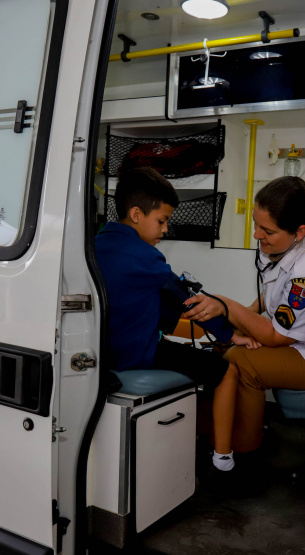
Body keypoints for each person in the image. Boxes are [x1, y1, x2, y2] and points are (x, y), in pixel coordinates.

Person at [184, 176, 305, 472]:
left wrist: (228, 306)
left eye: (268, 231)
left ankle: (243, 453)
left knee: (243, 361)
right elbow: (274, 290)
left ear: (299, 232)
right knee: (224, 345)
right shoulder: (295, 239)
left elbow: (276, 336)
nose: (257, 235)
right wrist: (239, 322)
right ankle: (218, 430)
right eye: (256, 224)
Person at [95, 167, 241, 437]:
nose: (166, 228)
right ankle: (222, 456)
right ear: (136, 214)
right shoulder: (146, 257)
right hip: (136, 356)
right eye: (162, 220)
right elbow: (188, 300)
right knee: (225, 369)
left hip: (101, 355)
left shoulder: (93, 245)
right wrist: (230, 334)